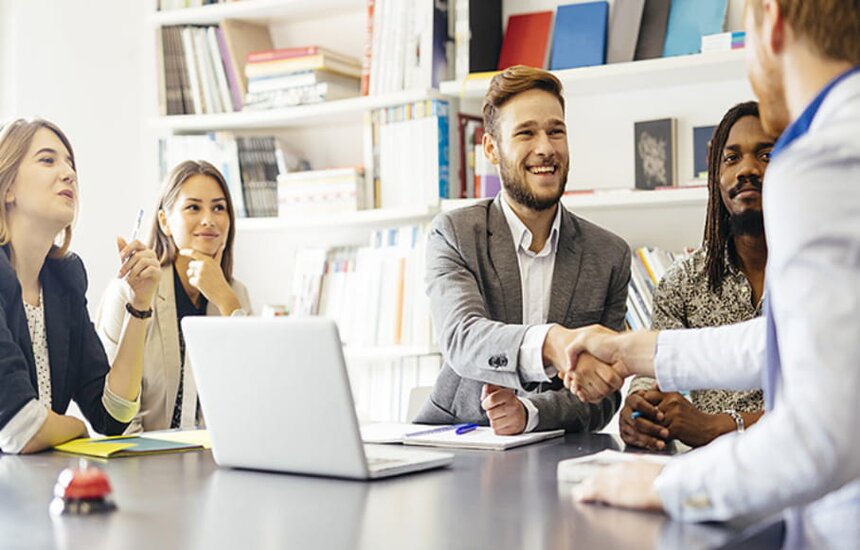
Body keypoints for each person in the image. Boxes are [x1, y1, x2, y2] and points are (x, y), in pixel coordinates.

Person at [561, 0, 860, 544]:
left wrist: (668, 488)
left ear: (770, 18)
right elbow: (800, 341)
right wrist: (633, 352)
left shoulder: (823, 161)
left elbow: (821, 436)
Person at [413, 66, 630, 435]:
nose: (545, 148)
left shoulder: (609, 255)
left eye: (556, 131)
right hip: (456, 438)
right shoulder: (453, 234)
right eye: (526, 132)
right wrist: (552, 342)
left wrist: (530, 413)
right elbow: (463, 339)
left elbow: (603, 394)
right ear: (492, 149)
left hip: (556, 452)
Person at [0, 118, 159, 454]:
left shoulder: (65, 280)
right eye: (47, 160)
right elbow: (18, 428)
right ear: (8, 188)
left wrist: (140, 305)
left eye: (70, 163)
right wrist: (75, 427)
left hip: (34, 490)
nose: (68, 173)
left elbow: (113, 416)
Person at [622, 102, 772, 451]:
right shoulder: (683, 281)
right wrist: (640, 407)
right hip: (707, 479)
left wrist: (722, 425)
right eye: (731, 158)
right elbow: (653, 370)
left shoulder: (825, 273)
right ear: (715, 180)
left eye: (766, 155)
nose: (747, 169)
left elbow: (830, 406)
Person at [96, 160, 251, 433]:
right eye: (193, 207)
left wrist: (227, 302)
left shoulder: (235, 294)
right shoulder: (128, 293)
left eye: (219, 208)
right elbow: (114, 419)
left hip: (215, 460)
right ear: (165, 222)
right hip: (142, 462)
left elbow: (253, 397)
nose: (209, 220)